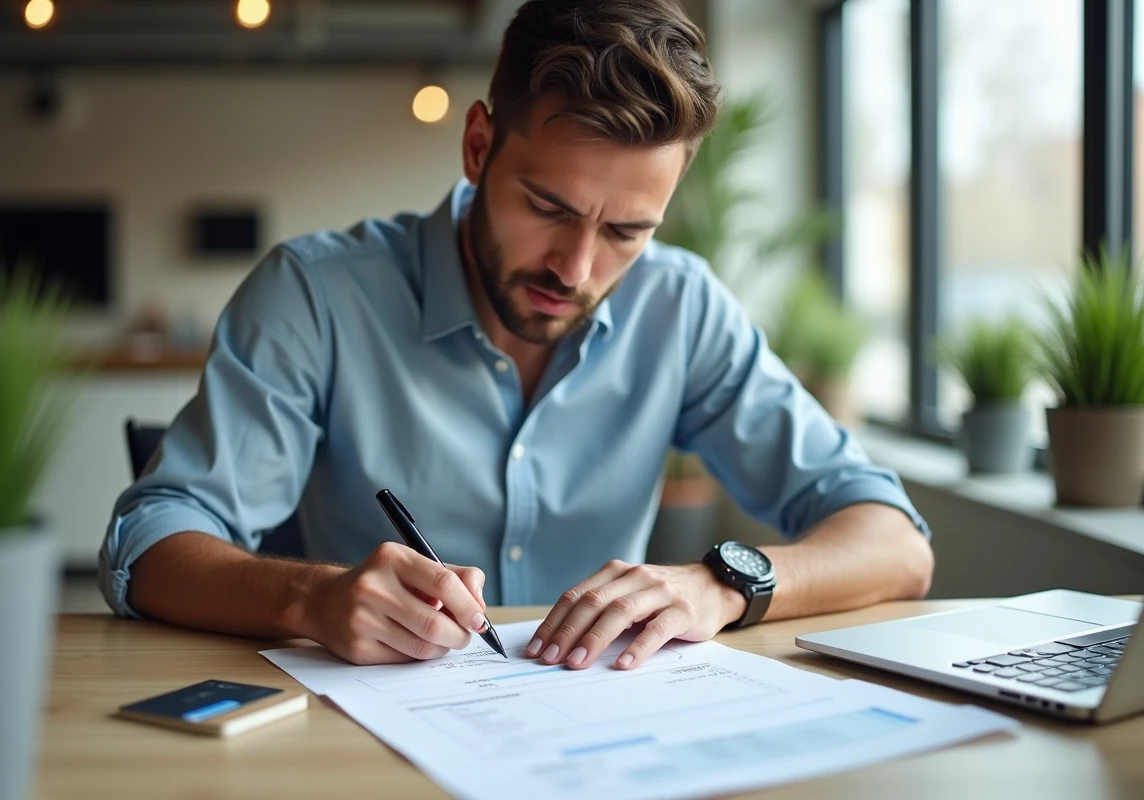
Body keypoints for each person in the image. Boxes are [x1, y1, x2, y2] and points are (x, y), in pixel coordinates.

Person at [100, 0, 933, 672]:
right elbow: (148, 542)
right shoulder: (314, 295)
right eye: (549, 209)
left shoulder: (681, 307)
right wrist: (311, 598)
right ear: (477, 146)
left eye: (626, 231)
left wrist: (720, 586)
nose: (575, 268)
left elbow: (895, 543)